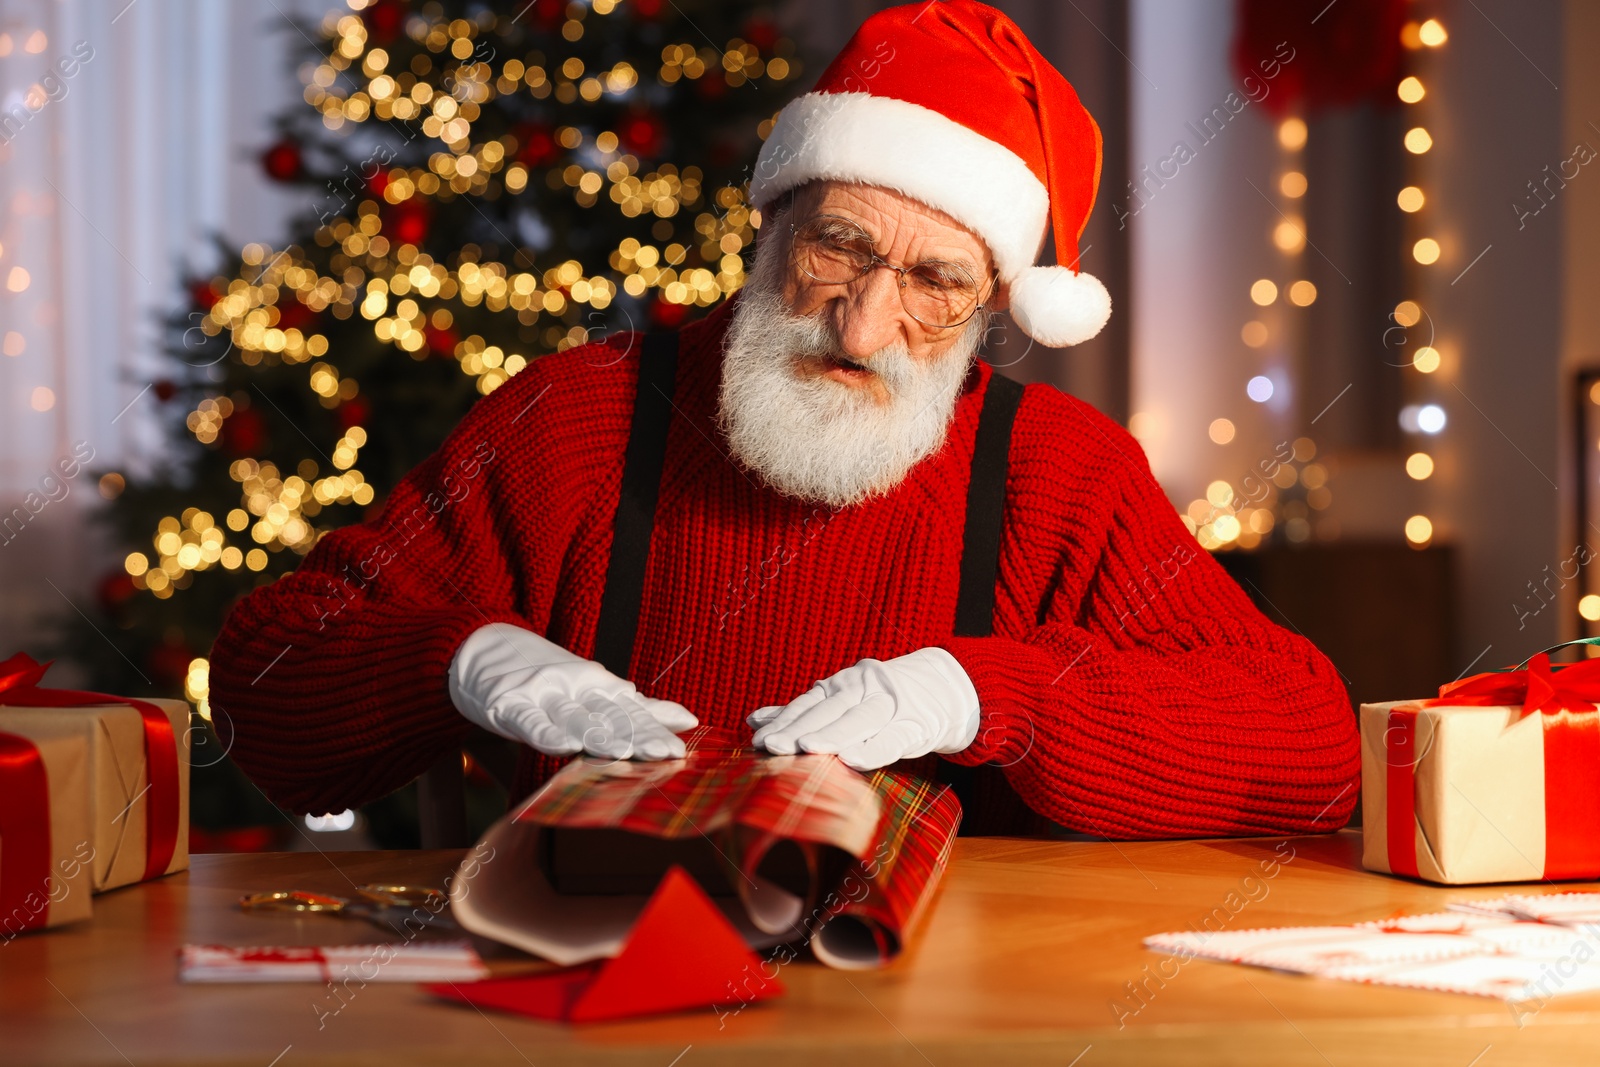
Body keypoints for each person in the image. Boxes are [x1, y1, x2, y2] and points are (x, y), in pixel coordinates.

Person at [210, 0, 1358, 838]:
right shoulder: (573, 420)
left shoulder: (1056, 473)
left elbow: (1313, 746)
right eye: (838, 246)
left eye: (934, 281)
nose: (862, 327)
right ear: (769, 227)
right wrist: (457, 660)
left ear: (991, 304)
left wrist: (992, 694)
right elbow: (266, 692)